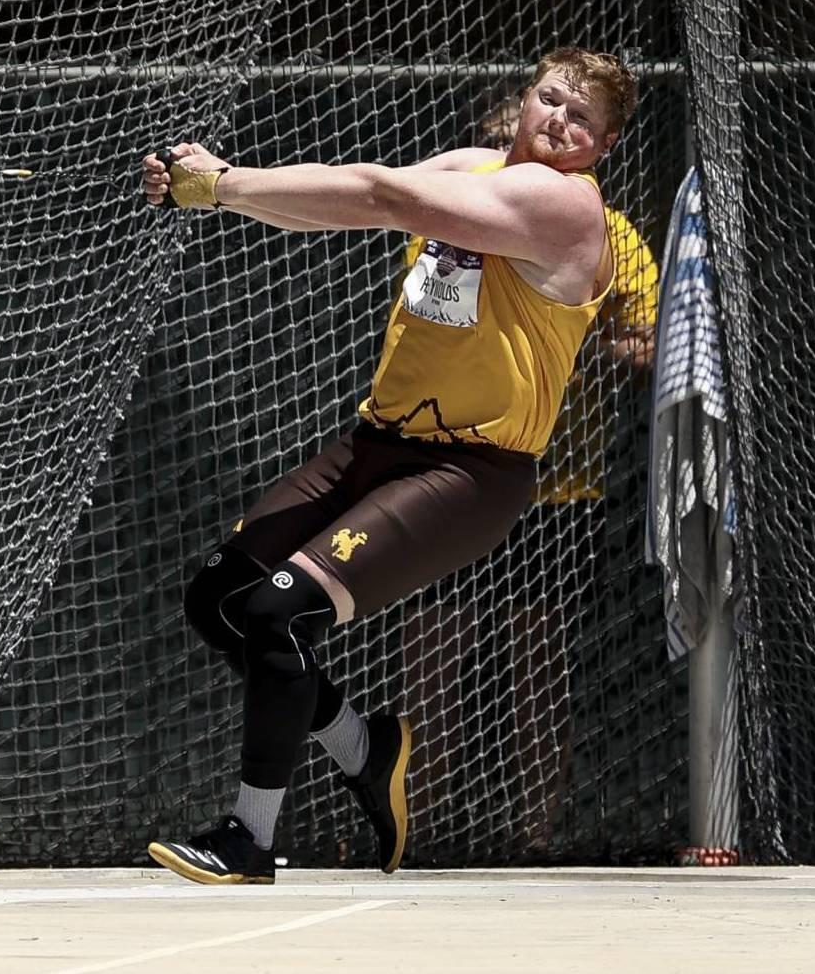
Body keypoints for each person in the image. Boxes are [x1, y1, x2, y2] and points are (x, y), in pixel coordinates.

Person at [139, 47, 638, 884]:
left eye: (581, 117)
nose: (559, 120)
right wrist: (220, 192)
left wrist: (224, 181)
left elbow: (378, 192)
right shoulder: (474, 169)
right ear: (525, 99)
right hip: (379, 443)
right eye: (551, 98)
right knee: (218, 599)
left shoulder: (563, 207)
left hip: (472, 471)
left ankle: (250, 839)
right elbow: (342, 204)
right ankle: (366, 748)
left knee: (280, 613)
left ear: (602, 147)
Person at [404, 91, 658, 855]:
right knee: (429, 666)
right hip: (445, 470)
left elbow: (647, 340)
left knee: (538, 672)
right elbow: (426, 317)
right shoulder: (441, 223)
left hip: (552, 489)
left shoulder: (605, 231)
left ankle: (534, 834)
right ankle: (405, 829)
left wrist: (572, 346)